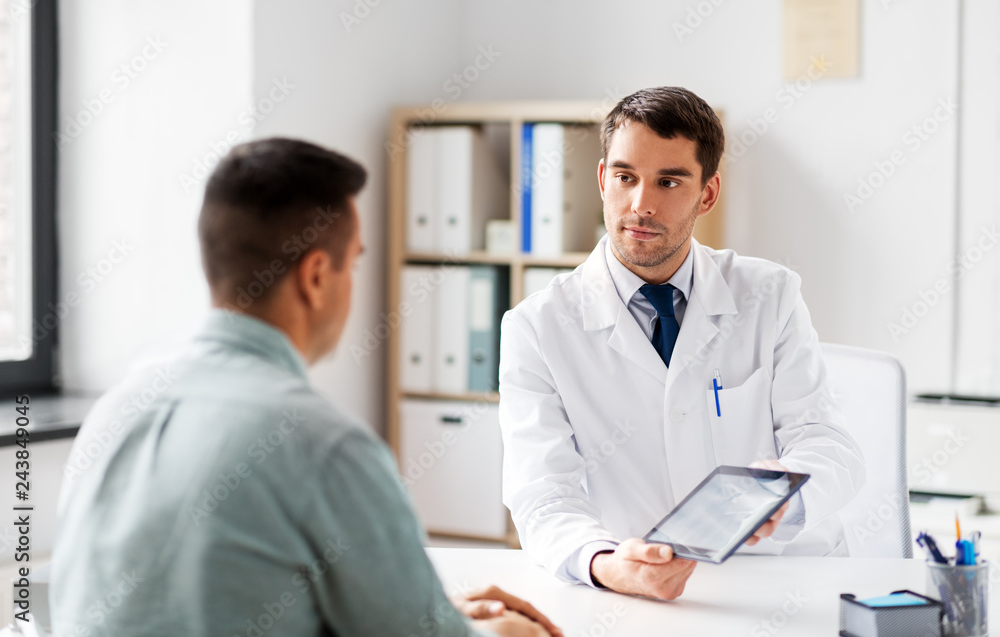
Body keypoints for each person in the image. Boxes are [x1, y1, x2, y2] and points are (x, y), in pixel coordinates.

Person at [51, 138, 561, 637]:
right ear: (316, 276)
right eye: (354, 264)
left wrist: (428, 613)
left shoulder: (116, 409)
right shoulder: (325, 446)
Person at [498, 87, 866, 600]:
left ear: (707, 194)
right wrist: (605, 563)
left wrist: (780, 494)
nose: (641, 204)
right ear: (604, 180)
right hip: (639, 591)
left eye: (668, 181)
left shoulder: (770, 294)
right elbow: (542, 495)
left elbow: (829, 445)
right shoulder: (536, 328)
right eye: (625, 178)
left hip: (784, 580)